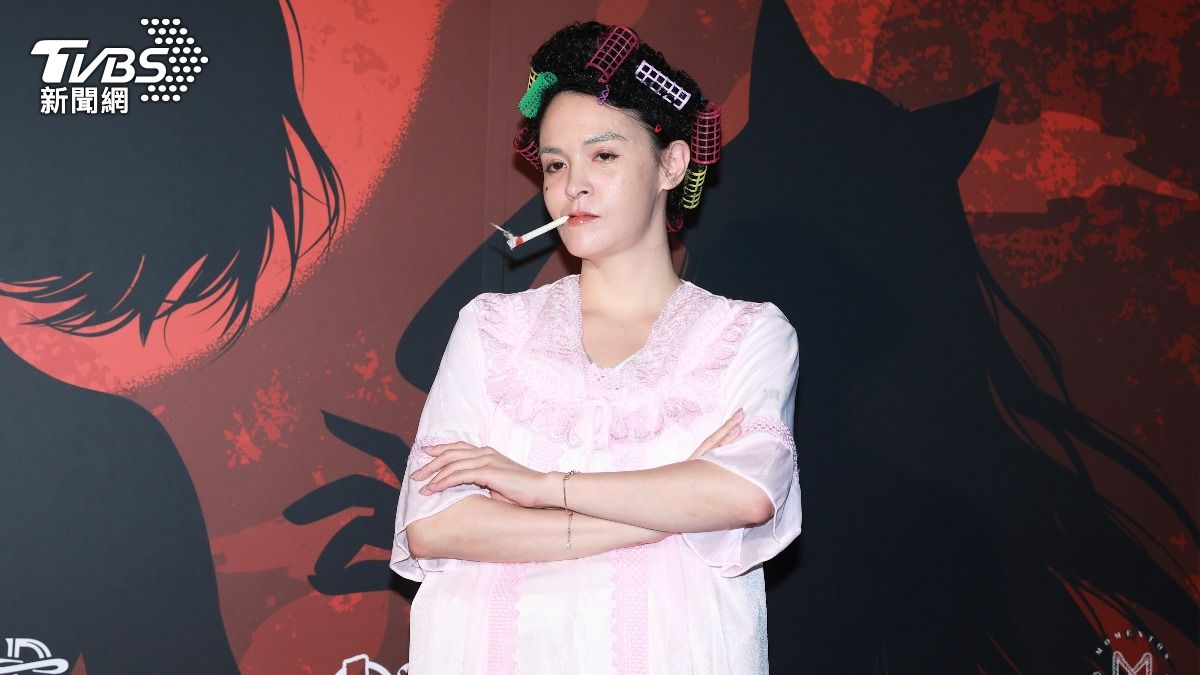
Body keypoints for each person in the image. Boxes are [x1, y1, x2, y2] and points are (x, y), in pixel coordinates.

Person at [389, 21, 801, 674]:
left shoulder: (749, 334)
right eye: (556, 164)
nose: (571, 185)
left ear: (672, 164)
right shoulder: (491, 326)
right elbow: (435, 524)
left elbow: (746, 493)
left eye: (603, 156)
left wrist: (539, 486)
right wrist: (664, 513)